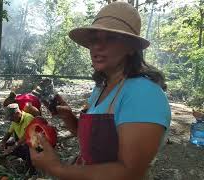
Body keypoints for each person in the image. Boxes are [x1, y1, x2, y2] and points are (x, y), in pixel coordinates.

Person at [29, 2, 171, 180]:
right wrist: (70, 118)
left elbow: (130, 173)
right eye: (94, 39)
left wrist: (56, 168)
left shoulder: (144, 94)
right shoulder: (102, 86)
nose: (97, 46)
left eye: (110, 38)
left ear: (131, 47)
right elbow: (94, 141)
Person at [0, 103, 37, 175]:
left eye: (11, 117)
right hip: (22, 143)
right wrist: (3, 142)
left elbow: (26, 136)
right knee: (6, 145)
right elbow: (9, 133)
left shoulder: (29, 118)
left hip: (33, 144)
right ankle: (22, 158)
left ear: (17, 113)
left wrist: (12, 148)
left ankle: (31, 170)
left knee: (29, 149)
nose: (10, 120)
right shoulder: (15, 121)